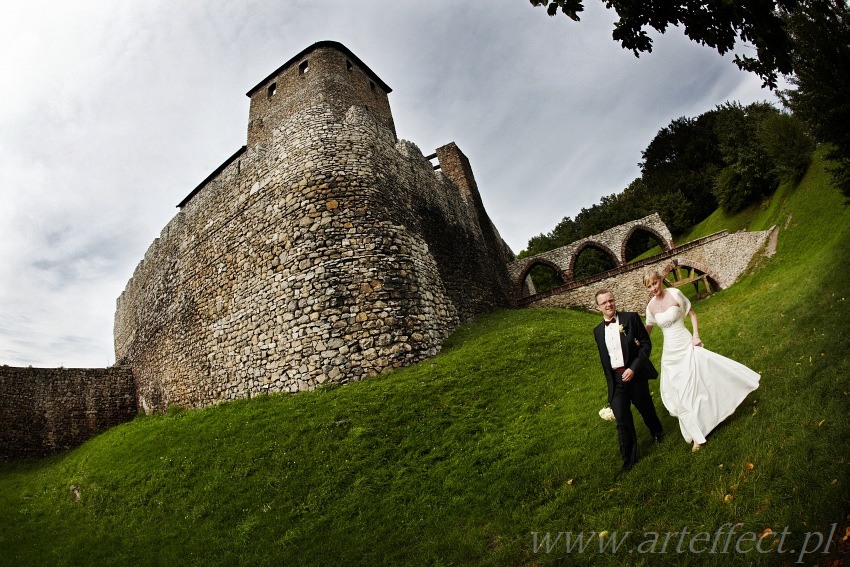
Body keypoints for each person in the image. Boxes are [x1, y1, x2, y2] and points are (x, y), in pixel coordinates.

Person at [643, 269, 760, 452]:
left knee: (696, 385)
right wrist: (636, 341)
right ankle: (696, 431)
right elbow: (646, 332)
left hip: (685, 343)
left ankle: (708, 420)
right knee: (679, 393)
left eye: (655, 283)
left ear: (660, 280)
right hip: (670, 353)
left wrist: (696, 336)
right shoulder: (650, 307)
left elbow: (692, 314)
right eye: (649, 286)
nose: (653, 288)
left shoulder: (675, 294)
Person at [593, 289, 664, 472]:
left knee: (646, 408)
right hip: (616, 381)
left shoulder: (630, 318)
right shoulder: (598, 331)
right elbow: (605, 358)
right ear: (598, 307)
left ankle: (657, 432)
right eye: (604, 303)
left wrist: (633, 368)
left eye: (611, 300)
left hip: (635, 374)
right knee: (622, 419)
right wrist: (612, 380)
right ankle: (628, 459)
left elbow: (646, 344)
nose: (609, 304)